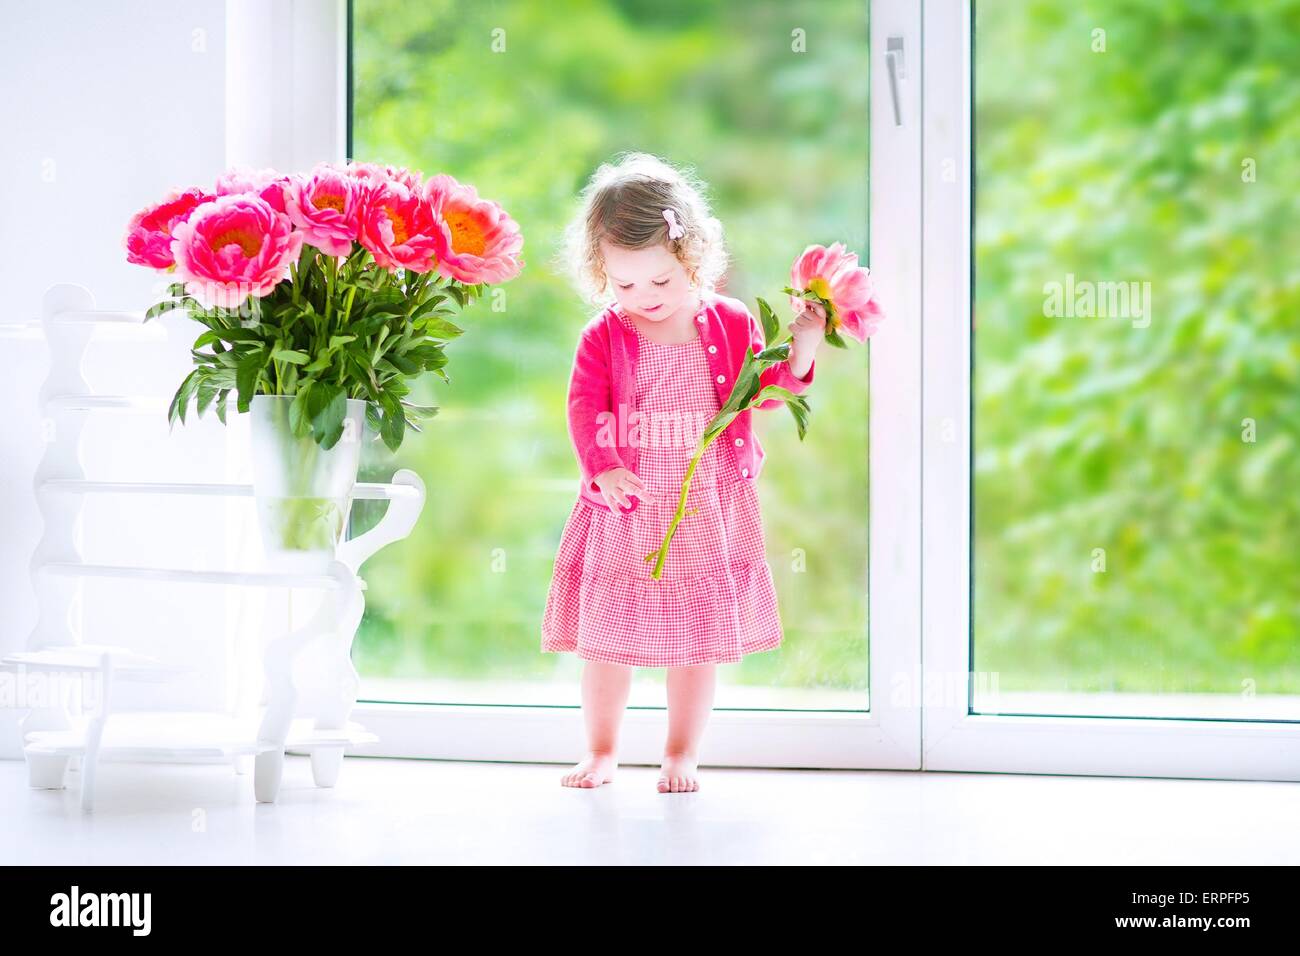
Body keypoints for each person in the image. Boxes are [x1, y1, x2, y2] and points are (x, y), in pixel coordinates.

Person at [542, 152, 826, 792]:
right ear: (601, 274)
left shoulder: (729, 324)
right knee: (608, 639)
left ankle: (680, 752)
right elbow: (584, 407)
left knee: (697, 641)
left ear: (693, 259)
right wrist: (605, 468)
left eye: (661, 282)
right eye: (625, 285)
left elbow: (765, 390)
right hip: (628, 506)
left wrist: (803, 344)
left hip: (706, 506)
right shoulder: (605, 335)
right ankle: (602, 749)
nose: (643, 298)